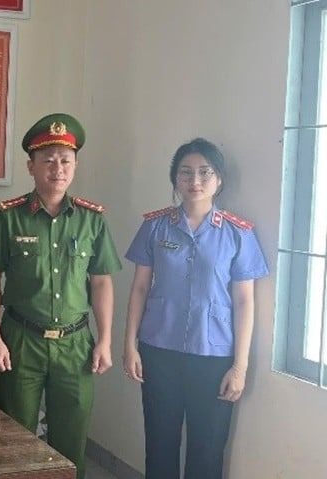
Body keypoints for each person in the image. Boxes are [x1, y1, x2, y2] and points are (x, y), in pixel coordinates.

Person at [0, 113, 122, 479]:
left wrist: (105, 340)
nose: (57, 169)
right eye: (48, 160)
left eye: (65, 160)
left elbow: (101, 282)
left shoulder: (92, 219)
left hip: (75, 343)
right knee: (16, 438)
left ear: (75, 165)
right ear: (31, 166)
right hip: (21, 340)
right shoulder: (7, 217)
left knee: (71, 441)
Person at [123, 138, 269, 479]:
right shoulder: (155, 226)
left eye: (205, 172)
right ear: (175, 179)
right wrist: (129, 346)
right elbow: (140, 288)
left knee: (208, 449)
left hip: (214, 357)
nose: (195, 181)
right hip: (159, 351)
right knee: (159, 444)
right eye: (186, 172)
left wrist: (240, 367)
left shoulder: (238, 233)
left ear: (219, 179)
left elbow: (245, 301)